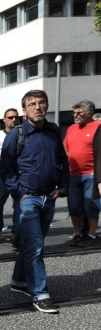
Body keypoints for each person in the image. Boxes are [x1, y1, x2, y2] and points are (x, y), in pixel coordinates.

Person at [0, 90, 69, 314]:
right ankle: (40, 293)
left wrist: (63, 187)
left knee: (31, 246)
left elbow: (62, 159)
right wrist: (20, 193)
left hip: (49, 197)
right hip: (28, 199)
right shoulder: (16, 134)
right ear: (24, 110)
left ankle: (19, 281)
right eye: (32, 104)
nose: (37, 107)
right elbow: (6, 169)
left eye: (41, 103)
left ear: (46, 105)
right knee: (36, 246)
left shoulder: (53, 130)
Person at [63, 100, 100, 247]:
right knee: (74, 207)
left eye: (79, 112)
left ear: (90, 113)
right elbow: (66, 148)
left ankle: (91, 235)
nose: (75, 115)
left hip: (90, 175)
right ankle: (78, 234)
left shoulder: (98, 127)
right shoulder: (71, 128)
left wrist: (95, 172)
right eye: (74, 112)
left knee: (90, 207)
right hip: (73, 175)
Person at [0, 108, 19, 236]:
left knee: (18, 203)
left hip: (18, 174)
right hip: (2, 174)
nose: (14, 120)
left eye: (16, 117)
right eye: (11, 117)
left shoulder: (21, 134)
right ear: (4, 119)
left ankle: (17, 229)